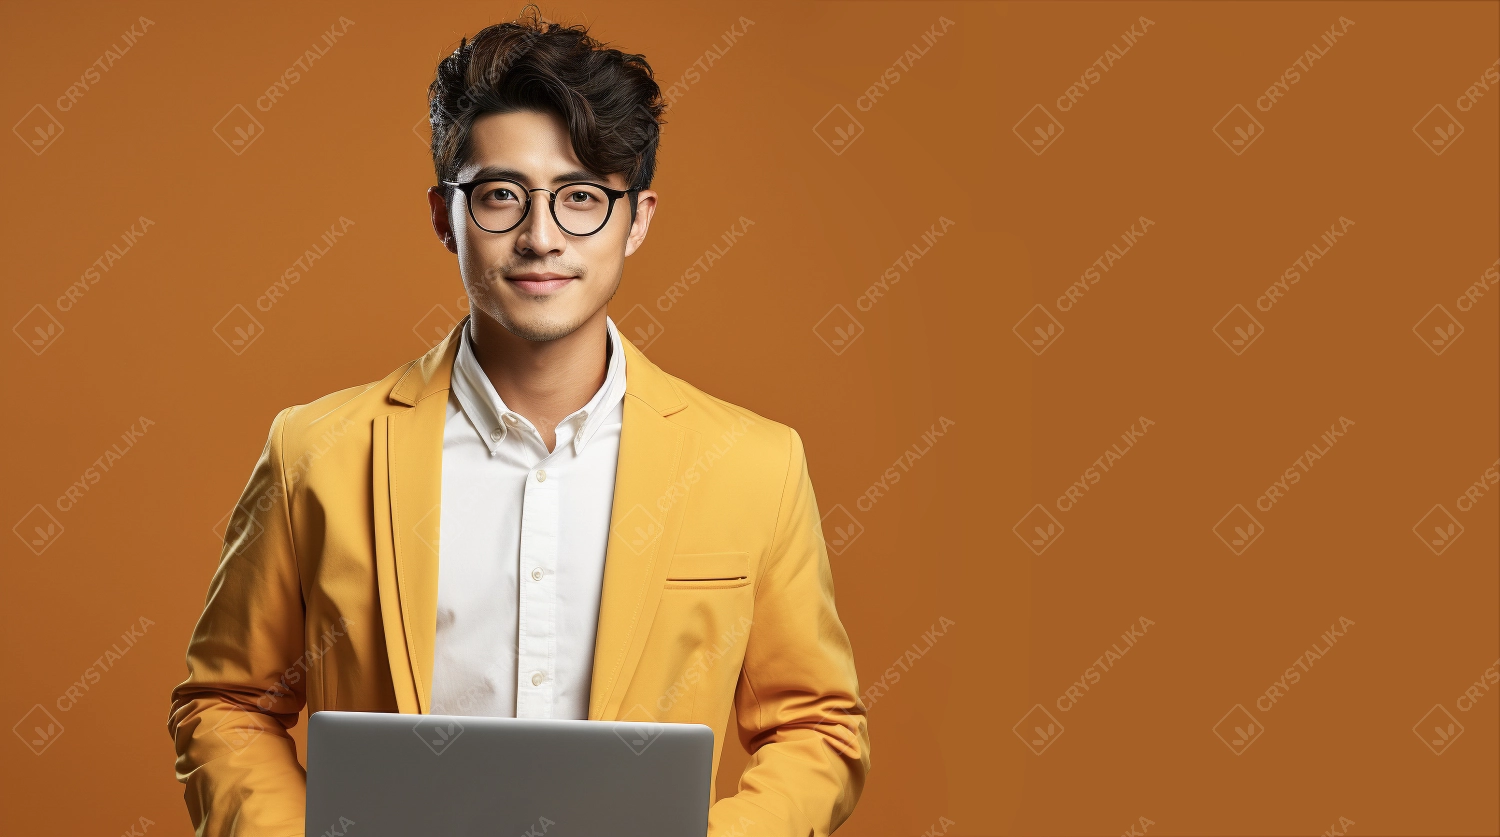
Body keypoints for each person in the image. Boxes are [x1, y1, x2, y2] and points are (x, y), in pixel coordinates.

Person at [168, 10, 868, 836]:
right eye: (502, 195)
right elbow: (227, 702)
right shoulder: (315, 452)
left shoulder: (754, 465)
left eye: (581, 198)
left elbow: (817, 725)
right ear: (444, 216)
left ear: (636, 219)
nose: (541, 237)